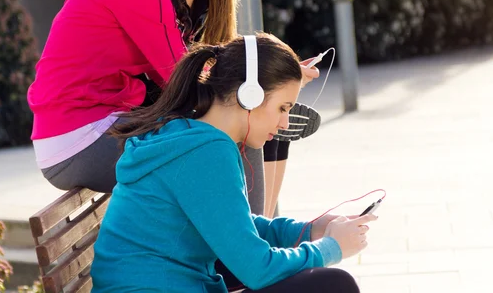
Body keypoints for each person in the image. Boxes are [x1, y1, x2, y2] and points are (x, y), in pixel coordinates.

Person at [91, 34, 376, 292]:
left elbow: (235, 224)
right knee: (333, 285)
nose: (285, 122)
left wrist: (309, 230)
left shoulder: (188, 136)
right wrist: (331, 248)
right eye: (282, 108)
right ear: (249, 94)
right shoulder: (205, 152)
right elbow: (257, 269)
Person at [27, 0, 226, 193]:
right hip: (81, 138)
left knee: (226, 132)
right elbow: (180, 76)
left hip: (80, 131)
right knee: (226, 139)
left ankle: (248, 235)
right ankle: (251, 238)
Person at [177, 0, 321, 218]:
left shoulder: (211, 0)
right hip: (158, 111)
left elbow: (219, 64)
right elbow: (179, 73)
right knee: (250, 122)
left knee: (270, 129)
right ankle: (256, 243)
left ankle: (262, 232)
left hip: (182, 105)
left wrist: (276, 75)